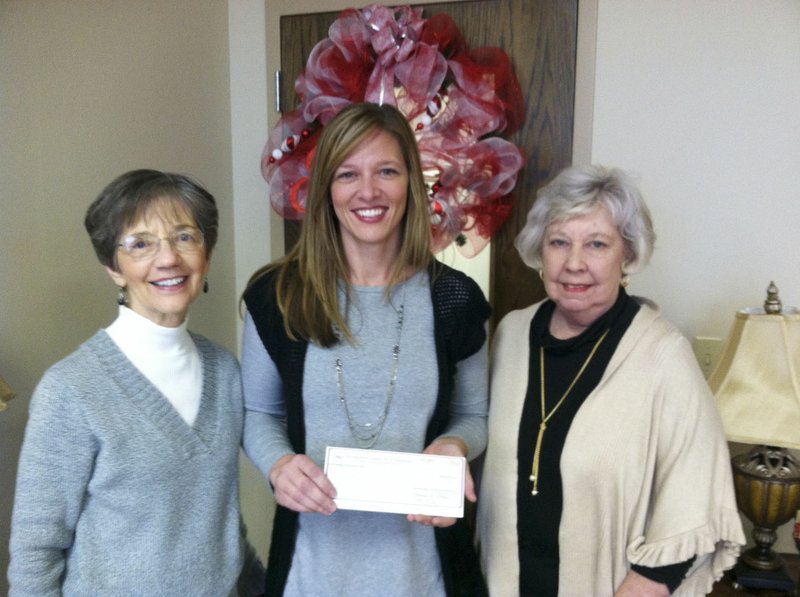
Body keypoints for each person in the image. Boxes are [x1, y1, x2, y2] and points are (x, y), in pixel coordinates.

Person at [241, 102, 490, 596]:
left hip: (425, 576)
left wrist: (455, 446)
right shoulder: (278, 295)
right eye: (348, 174)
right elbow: (257, 411)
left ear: (411, 185)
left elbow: (475, 414)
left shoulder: (455, 299)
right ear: (326, 191)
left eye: (387, 171)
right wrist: (278, 464)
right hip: (309, 575)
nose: (368, 191)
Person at [476, 165, 745, 596]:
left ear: (628, 255)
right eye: (559, 242)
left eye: (597, 244)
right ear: (539, 252)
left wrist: (645, 587)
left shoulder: (661, 353)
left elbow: (694, 496)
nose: (574, 263)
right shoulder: (511, 334)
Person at [8, 169, 264, 596]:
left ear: (207, 254)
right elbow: (37, 552)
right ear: (113, 267)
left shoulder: (225, 372)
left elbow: (218, 519)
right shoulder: (70, 389)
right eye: (140, 244)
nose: (168, 259)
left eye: (185, 237)